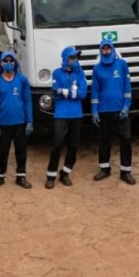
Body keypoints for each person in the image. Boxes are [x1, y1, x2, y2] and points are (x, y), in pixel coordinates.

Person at [91, 40, 136, 185]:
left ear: (112, 49)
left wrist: (126, 107)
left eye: (108, 48)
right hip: (104, 111)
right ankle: (104, 169)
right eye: (103, 49)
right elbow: (95, 91)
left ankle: (126, 172)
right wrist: (94, 111)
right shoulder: (97, 69)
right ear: (100, 51)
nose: (106, 51)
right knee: (104, 141)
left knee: (126, 140)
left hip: (120, 111)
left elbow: (127, 87)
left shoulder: (122, 65)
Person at [0, 51, 33, 190]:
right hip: (3, 124)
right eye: (5, 61)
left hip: (20, 123)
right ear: (0, 63)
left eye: (11, 61)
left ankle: (21, 176)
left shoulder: (22, 80)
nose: (8, 63)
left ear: (15, 63)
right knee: (3, 151)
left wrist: (29, 121)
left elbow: (27, 101)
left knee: (21, 151)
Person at [46, 46, 87, 189]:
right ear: (65, 59)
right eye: (71, 58)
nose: (74, 60)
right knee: (57, 144)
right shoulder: (57, 73)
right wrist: (70, 93)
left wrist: (65, 91)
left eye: (76, 58)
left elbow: (83, 94)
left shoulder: (80, 73)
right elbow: (55, 92)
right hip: (61, 114)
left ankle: (65, 172)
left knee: (73, 145)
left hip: (77, 114)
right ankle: (51, 175)